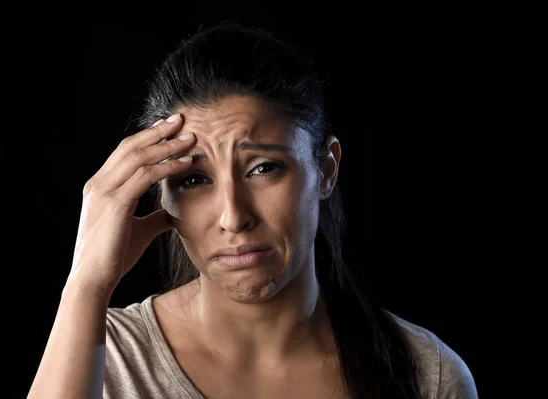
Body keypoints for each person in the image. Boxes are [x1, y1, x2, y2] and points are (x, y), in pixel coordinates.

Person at [27, 21, 478, 399]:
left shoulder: (427, 376)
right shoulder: (103, 357)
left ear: (325, 169)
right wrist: (85, 285)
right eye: (194, 179)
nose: (232, 216)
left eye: (263, 168)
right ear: (161, 192)